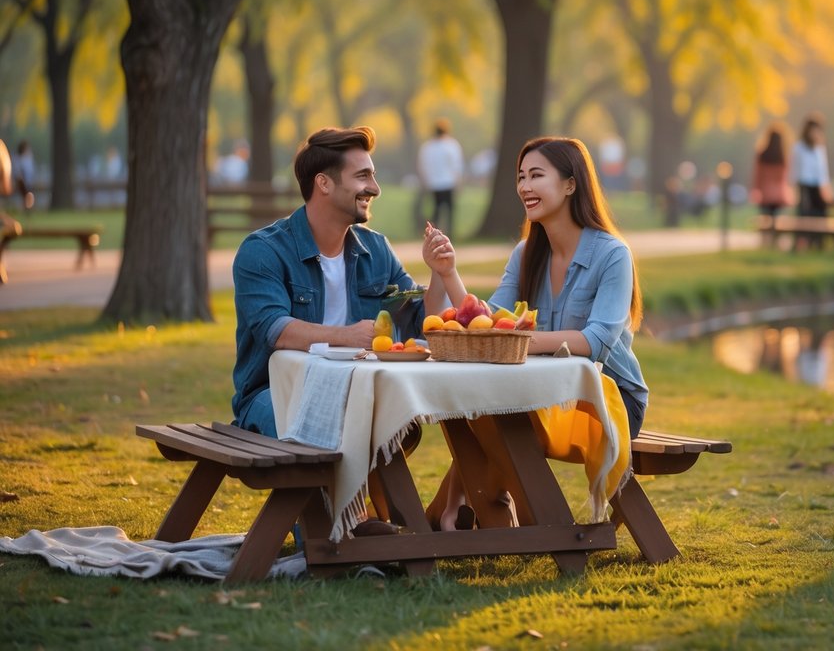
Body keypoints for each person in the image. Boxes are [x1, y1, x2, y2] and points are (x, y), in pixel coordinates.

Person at [432, 136, 649, 530]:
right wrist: (449, 273)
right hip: (543, 393)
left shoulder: (612, 254)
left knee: (493, 413)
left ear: (570, 184)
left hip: (607, 401)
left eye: (536, 175)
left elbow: (596, 341)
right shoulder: (526, 254)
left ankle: (477, 513)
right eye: (520, 177)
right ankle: (475, 513)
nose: (524, 187)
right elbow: (489, 319)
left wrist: (519, 341)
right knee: (478, 407)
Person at [230, 126, 469, 439]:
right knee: (331, 429)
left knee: (399, 429)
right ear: (324, 183)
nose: (375, 188)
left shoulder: (377, 249)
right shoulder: (263, 251)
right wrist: (347, 336)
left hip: (357, 392)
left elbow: (421, 321)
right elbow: (275, 330)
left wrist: (439, 272)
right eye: (363, 176)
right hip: (273, 393)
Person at [792, 114, 832, 249]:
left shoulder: (819, 148)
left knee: (820, 213)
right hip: (804, 184)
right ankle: (803, 243)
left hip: (818, 186)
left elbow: (823, 171)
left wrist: (826, 188)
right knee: (805, 214)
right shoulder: (799, 148)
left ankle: (819, 242)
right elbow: (795, 170)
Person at [417, 118, 463, 235]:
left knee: (436, 211)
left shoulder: (428, 147)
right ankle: (450, 235)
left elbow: (423, 165)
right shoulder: (452, 145)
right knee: (450, 212)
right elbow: (457, 166)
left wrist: (425, 182)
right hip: (449, 183)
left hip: (434, 184)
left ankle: (434, 233)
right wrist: (458, 182)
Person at [751, 123, 792, 219]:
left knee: (765, 220)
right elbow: (784, 177)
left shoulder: (762, 155)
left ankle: (767, 234)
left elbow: (758, 176)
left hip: (765, 194)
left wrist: (756, 190)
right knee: (777, 222)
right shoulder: (782, 156)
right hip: (779, 195)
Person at [12, 140, 35, 211]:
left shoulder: (28, 158)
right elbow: (18, 172)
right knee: (26, 196)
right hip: (23, 182)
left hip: (28, 181)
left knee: (28, 196)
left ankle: (28, 209)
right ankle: (26, 209)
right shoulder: (19, 159)